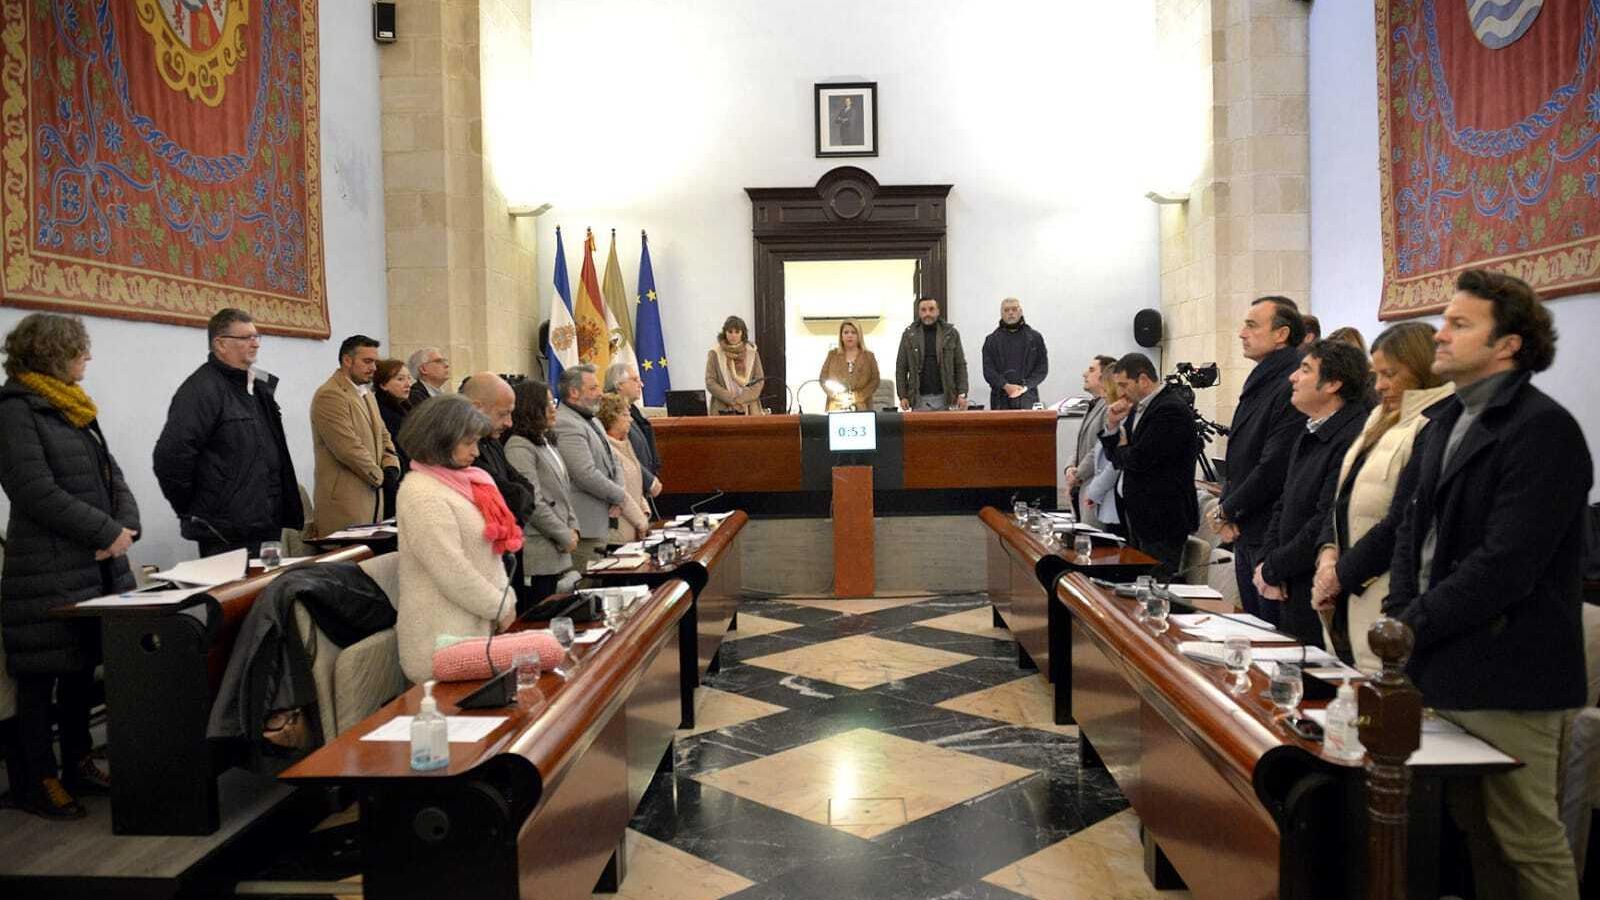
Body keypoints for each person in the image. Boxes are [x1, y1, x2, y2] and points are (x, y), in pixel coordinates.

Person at [1384, 269, 1590, 900]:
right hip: (1438, 660)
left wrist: (1410, 624)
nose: (1439, 334)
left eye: (1459, 324)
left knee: (1525, 840)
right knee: (1472, 835)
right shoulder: (1445, 418)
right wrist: (1399, 612)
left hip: (1508, 671)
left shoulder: (1542, 429)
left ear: (1508, 344)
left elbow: (1506, 565)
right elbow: (1409, 530)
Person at [0, 314, 135, 819]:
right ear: (53, 354)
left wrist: (126, 527)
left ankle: (79, 762)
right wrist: (104, 533)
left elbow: (112, 475)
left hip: (94, 566)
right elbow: (33, 490)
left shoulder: (72, 405)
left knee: (81, 668)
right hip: (46, 569)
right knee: (41, 678)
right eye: (80, 350)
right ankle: (38, 780)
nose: (88, 358)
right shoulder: (15, 410)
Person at [1312, 322, 1451, 671]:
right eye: (1377, 375)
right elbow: (1342, 499)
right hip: (1346, 589)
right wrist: (1327, 555)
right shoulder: (1381, 418)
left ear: (1421, 367)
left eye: (1390, 374)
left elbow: (1401, 519)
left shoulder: (1432, 425)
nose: (1379, 386)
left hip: (1382, 589)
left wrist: (1340, 574)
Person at [153, 308, 303, 557]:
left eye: (256, 336)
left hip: (267, 524)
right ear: (221, 344)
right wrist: (199, 508)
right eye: (246, 338)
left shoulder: (257, 387)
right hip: (225, 531)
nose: (255, 344)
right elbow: (170, 457)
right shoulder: (201, 390)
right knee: (236, 585)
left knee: (269, 583)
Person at [1251, 341, 1371, 647]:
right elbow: (1284, 503)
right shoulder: (1310, 430)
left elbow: (1325, 518)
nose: (1293, 377)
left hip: (1316, 588)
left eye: (1305, 370)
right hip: (1288, 581)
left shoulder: (1352, 437)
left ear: (1332, 384)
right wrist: (1266, 562)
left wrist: (1275, 567)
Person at [393, 395, 520, 685]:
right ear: (440, 440)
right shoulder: (421, 493)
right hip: (442, 636)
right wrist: (500, 606)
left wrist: (505, 600)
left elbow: (488, 555)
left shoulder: (465, 482)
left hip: (477, 627)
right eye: (468, 443)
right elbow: (450, 569)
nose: (476, 451)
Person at [1212, 296, 1307, 624]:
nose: (1242, 333)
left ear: (1281, 334)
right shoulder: (1264, 378)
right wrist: (1228, 508)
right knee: (1254, 627)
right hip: (1247, 526)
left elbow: (1274, 465)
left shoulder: (1289, 383)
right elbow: (1240, 457)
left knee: (1270, 633)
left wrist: (1228, 509)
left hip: (1269, 532)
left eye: (1252, 326)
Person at [1098, 353, 1198, 576]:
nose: (1120, 393)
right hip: (1139, 516)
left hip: (1162, 518)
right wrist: (1112, 426)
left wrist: (1124, 449)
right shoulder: (1137, 408)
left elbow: (1139, 460)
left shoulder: (1169, 409)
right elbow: (1116, 459)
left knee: (1155, 584)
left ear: (1143, 380)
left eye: (1124, 385)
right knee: (1137, 582)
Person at [310, 335, 400, 537]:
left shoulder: (367, 393)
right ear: (347, 360)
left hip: (373, 497)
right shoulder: (330, 395)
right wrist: (380, 477)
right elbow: (347, 448)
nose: (373, 368)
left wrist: (391, 467)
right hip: (346, 501)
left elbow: (384, 435)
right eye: (367, 361)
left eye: (375, 362)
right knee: (349, 555)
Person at [504, 380, 580, 613]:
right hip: (539, 549)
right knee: (540, 616)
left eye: (553, 402)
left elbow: (564, 491)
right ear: (531, 408)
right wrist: (563, 534)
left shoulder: (547, 442)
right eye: (547, 403)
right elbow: (532, 499)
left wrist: (573, 526)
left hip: (559, 546)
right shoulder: (519, 446)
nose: (553, 408)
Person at [553, 364, 627, 566]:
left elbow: (614, 460)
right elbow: (584, 473)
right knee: (587, 580)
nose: (600, 394)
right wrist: (618, 496)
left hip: (604, 521)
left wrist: (619, 494)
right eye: (593, 388)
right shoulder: (564, 423)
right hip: (585, 526)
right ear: (574, 392)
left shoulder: (593, 420)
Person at [459, 373, 537, 528]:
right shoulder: (461, 451)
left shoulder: (493, 442)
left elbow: (526, 487)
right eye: (503, 414)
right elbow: (510, 495)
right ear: (476, 408)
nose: (509, 423)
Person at [1065, 354, 1117, 521]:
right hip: (1081, 485)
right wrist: (1069, 467)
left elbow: (1100, 446)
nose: (1084, 374)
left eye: (1091, 370)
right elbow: (1080, 444)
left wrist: (1078, 474)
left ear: (1105, 375)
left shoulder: (1110, 406)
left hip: (1094, 486)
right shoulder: (1093, 404)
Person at [895, 297, 969, 411]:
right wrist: (903, 396)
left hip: (947, 398)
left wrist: (962, 393)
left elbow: (960, 365)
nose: (927, 313)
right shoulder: (909, 335)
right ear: (919, 312)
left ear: (938, 311)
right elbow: (901, 367)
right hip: (918, 399)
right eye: (923, 310)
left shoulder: (951, 334)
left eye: (931, 309)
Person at [596, 393, 652, 543]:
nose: (631, 419)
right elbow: (620, 492)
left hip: (638, 526)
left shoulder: (626, 444)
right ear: (612, 418)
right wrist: (640, 520)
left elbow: (637, 484)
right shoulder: (606, 449)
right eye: (626, 415)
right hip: (620, 527)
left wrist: (645, 512)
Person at [605, 361, 663, 502]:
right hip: (628, 490)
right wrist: (648, 480)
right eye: (635, 380)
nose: (641, 384)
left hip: (640, 489)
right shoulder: (612, 414)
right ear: (619, 385)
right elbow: (623, 454)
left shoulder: (633, 411)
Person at [981, 297, 1049, 410]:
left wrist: (1025, 387)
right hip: (1000, 399)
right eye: (1006, 310)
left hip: (1028, 397)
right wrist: (1005, 385)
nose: (1011, 313)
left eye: (1014, 309)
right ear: (1001, 313)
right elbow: (988, 371)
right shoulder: (991, 340)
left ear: (1021, 311)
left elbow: (1042, 369)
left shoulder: (1035, 338)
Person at [1080, 374, 1124, 535]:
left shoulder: (1120, 416)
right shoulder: (1112, 417)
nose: (1103, 395)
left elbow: (1115, 462)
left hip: (1116, 498)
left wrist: (1094, 491)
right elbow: (1099, 448)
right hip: (1105, 498)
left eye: (1106, 390)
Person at [374, 359, 414, 517]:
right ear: (383, 385)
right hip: (394, 481)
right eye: (400, 379)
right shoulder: (383, 412)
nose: (408, 384)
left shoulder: (405, 408)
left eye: (409, 378)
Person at [705, 316, 766, 415]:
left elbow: (759, 381)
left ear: (742, 333)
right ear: (725, 333)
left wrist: (742, 399)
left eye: (737, 332)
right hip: (722, 408)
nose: (733, 335)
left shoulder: (752, 353)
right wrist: (731, 399)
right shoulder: (715, 353)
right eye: (730, 332)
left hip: (749, 407)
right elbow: (710, 381)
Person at [818, 320, 881, 411]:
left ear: (859, 336)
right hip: (836, 405)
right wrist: (838, 396)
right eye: (846, 332)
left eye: (853, 332)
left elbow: (875, 381)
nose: (849, 335)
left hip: (862, 406)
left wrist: (857, 397)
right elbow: (823, 379)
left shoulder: (869, 356)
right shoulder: (832, 355)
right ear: (841, 336)